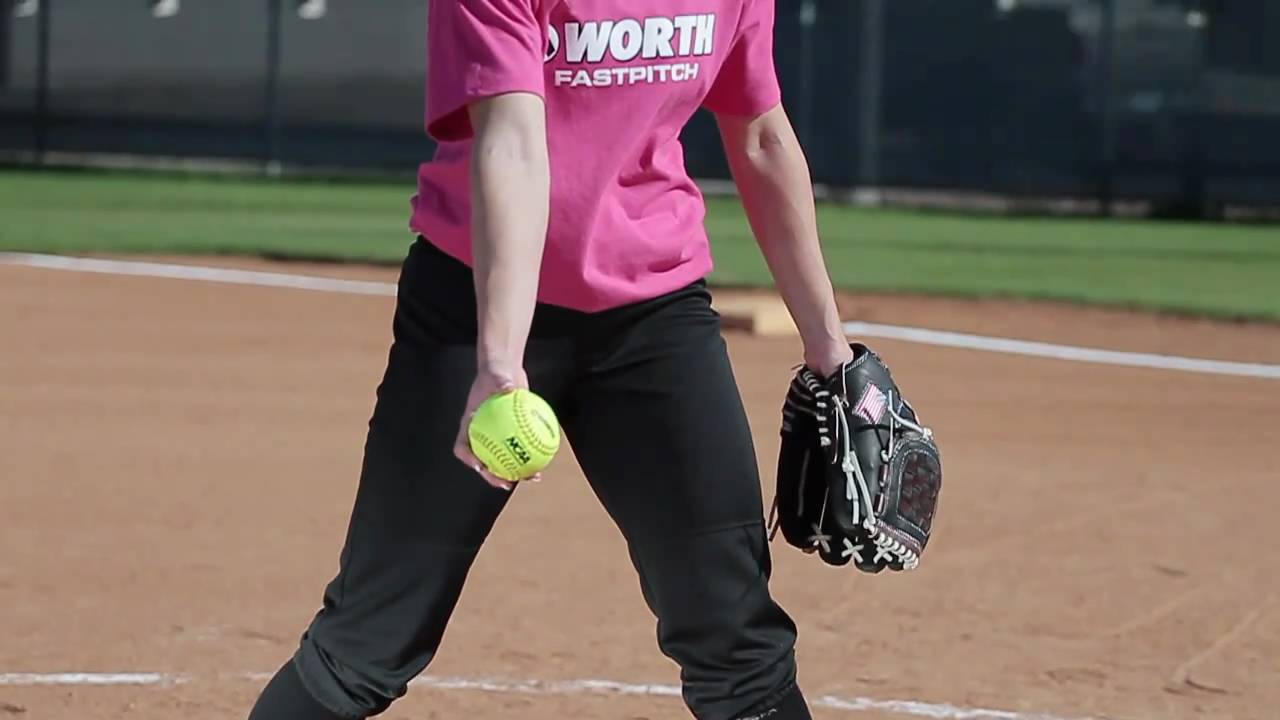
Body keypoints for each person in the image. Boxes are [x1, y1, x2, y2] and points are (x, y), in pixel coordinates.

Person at [246, 1, 855, 718]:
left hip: (653, 317)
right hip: (476, 311)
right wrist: (499, 360)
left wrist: (830, 350)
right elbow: (512, 142)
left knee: (737, 635)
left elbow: (759, 135)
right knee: (368, 641)